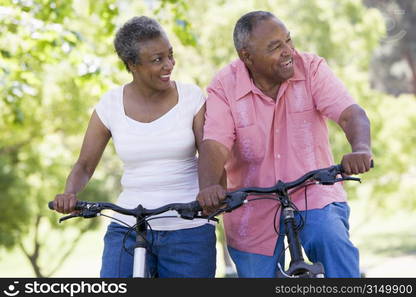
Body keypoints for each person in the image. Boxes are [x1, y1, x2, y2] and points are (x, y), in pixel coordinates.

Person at [196, 11, 372, 278]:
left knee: (330, 238)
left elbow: (350, 113)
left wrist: (361, 148)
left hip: (314, 193)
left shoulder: (310, 68)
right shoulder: (224, 85)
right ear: (246, 56)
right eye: (275, 47)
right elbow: (215, 143)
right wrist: (209, 185)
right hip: (252, 203)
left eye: (288, 41)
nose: (288, 51)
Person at [52, 16, 216, 278]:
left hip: (188, 226)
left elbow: (210, 153)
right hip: (128, 224)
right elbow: (84, 164)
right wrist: (69, 192)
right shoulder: (110, 105)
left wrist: (211, 191)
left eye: (170, 56)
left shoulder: (192, 98)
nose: (169, 65)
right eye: (157, 60)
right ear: (132, 65)